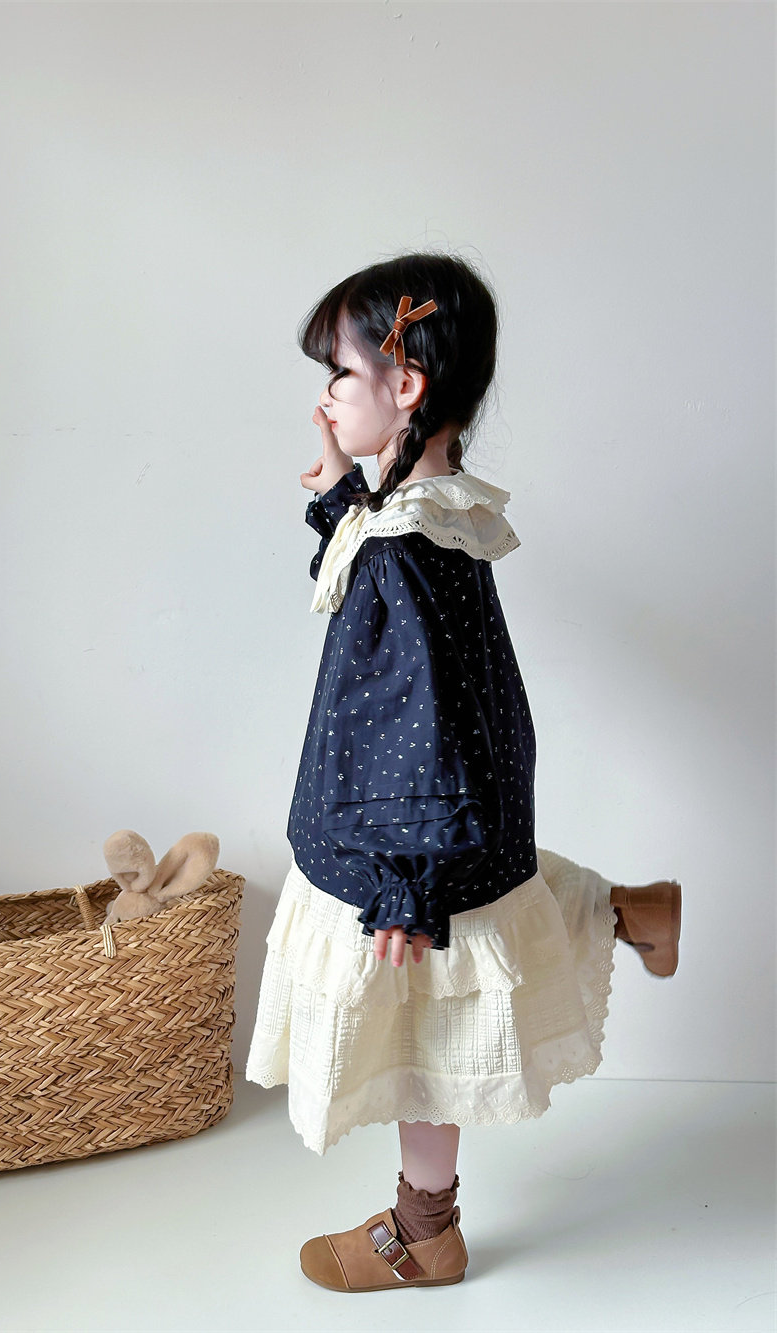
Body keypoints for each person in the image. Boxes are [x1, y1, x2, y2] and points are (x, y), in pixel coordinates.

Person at [244, 251, 682, 1293]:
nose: (323, 398)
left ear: (405, 385)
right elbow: (366, 551)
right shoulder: (425, 510)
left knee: (421, 1035)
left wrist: (405, 885)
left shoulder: (404, 547)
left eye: (338, 375)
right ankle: (631, 907)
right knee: (503, 899)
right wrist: (340, 487)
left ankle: (424, 1232)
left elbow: (418, 726)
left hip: (413, 840)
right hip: (455, 810)